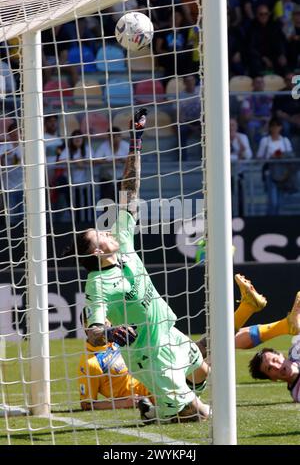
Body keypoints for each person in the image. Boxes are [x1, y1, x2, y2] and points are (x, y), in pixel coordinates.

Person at [63, 108, 210, 423]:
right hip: (150, 353)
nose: (106, 231)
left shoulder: (122, 238)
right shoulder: (97, 284)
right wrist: (111, 332)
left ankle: (159, 408)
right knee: (202, 415)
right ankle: (170, 408)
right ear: (96, 251)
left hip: (168, 330)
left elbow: (129, 191)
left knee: (202, 372)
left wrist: (136, 142)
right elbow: (92, 332)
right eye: (98, 234)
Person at [78, 325, 152, 411]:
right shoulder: (90, 363)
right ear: (87, 330)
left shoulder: (117, 338)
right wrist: (125, 403)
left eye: (105, 321)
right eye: (98, 325)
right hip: (147, 395)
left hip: (153, 379)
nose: (105, 325)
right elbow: (86, 404)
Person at [248, 293, 300, 403]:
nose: (276, 366)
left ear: (281, 355)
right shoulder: (298, 393)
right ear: (272, 379)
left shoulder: (296, 350)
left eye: (275, 360)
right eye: (269, 369)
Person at [257, 117, 294, 215]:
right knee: (273, 202)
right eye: (273, 126)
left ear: (280, 127)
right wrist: (271, 157)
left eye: (277, 125)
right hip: (270, 173)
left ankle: (278, 223)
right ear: (270, 128)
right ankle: (269, 221)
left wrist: (282, 155)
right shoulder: (265, 141)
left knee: (280, 202)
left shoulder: (285, 141)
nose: (275, 128)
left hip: (283, 174)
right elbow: (259, 157)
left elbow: (291, 155)